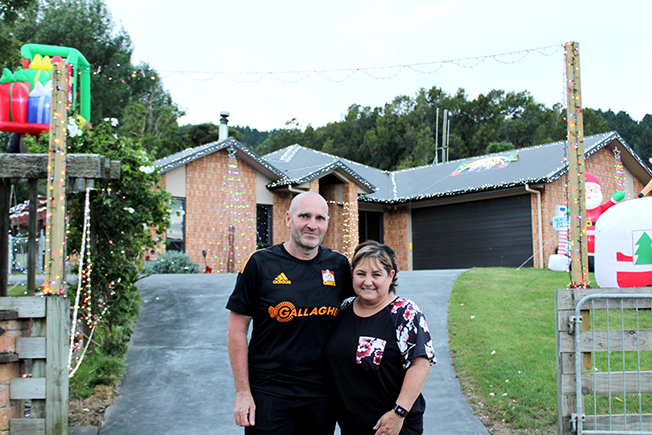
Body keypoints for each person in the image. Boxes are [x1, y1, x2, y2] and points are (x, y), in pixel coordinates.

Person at [226, 191, 353, 434]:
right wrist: (243, 392)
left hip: (321, 394)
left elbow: (365, 306)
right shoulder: (260, 263)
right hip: (269, 393)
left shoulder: (338, 265)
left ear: (327, 222)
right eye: (304, 216)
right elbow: (237, 329)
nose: (312, 225)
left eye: (319, 218)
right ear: (288, 219)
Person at [325, 240, 436, 435]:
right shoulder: (343, 310)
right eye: (361, 274)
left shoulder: (405, 313)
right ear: (352, 273)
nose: (368, 282)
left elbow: (420, 364)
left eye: (376, 275)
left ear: (390, 275)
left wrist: (399, 413)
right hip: (351, 426)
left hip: (392, 426)